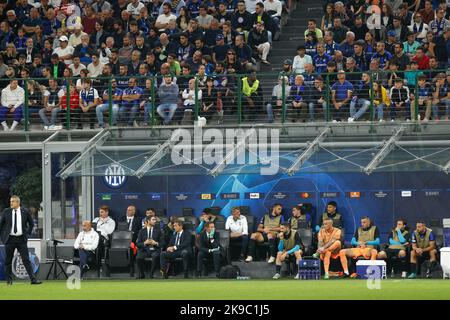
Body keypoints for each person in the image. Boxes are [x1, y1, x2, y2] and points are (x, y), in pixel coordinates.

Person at [0, 195, 42, 285]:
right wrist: (2, 238)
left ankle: (33, 280)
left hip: (21, 240)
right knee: (8, 261)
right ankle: (9, 281)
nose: (11, 203)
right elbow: (1, 225)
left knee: (26, 260)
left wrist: (28, 234)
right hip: (9, 239)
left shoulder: (25, 212)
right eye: (10, 201)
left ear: (18, 202)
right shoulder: (6, 212)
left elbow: (31, 224)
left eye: (13, 201)